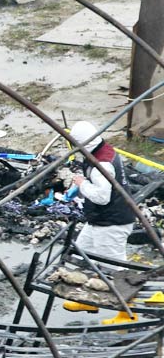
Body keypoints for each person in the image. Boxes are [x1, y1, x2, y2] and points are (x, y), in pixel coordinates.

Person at [62, 120, 136, 325]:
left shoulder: (100, 165)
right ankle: (89, 300)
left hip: (112, 222)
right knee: (82, 252)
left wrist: (82, 183)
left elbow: (102, 197)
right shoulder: (104, 150)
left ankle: (127, 313)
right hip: (100, 219)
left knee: (114, 266)